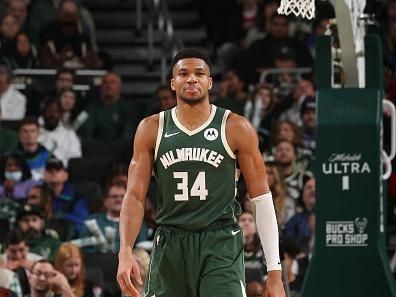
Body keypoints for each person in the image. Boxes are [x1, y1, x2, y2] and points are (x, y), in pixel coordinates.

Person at [117, 48, 284, 297]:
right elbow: (134, 196)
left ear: (210, 82)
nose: (192, 78)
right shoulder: (152, 128)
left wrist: (274, 271)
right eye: (183, 73)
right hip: (171, 242)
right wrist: (125, 251)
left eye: (199, 73)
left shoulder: (235, 127)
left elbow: (261, 198)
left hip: (220, 242)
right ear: (173, 83)